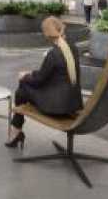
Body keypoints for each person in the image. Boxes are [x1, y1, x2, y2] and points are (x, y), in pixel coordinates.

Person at [6, 16, 81, 149]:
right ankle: (16, 131)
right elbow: (53, 76)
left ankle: (16, 131)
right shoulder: (73, 48)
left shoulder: (54, 54)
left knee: (22, 87)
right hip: (72, 105)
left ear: (47, 34)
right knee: (26, 83)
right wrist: (31, 74)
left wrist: (25, 76)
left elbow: (39, 81)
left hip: (57, 108)